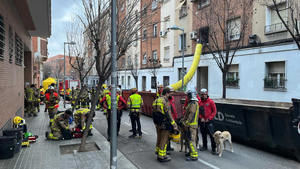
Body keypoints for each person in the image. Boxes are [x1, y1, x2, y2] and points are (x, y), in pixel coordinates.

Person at [152, 87, 178, 162]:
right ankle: (162, 156)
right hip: (164, 124)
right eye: (171, 93)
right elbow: (168, 114)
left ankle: (158, 151)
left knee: (159, 138)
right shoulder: (165, 101)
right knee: (164, 140)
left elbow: (153, 112)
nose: (172, 94)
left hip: (157, 123)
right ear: (167, 93)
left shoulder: (156, 100)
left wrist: (156, 123)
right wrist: (174, 125)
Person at [181, 89, 199, 161]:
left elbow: (191, 114)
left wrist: (186, 123)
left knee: (191, 140)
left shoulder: (193, 103)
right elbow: (187, 113)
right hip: (190, 125)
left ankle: (194, 155)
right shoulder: (191, 103)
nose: (187, 97)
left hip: (191, 126)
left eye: (188, 95)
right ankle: (190, 152)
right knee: (188, 140)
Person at [198, 88, 217, 155]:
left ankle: (214, 148)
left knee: (212, 135)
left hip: (209, 121)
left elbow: (214, 111)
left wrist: (209, 118)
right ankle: (204, 146)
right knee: (203, 134)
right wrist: (201, 118)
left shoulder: (211, 102)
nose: (203, 96)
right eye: (202, 94)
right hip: (202, 121)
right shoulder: (199, 102)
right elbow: (199, 112)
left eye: (204, 94)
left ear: (207, 94)